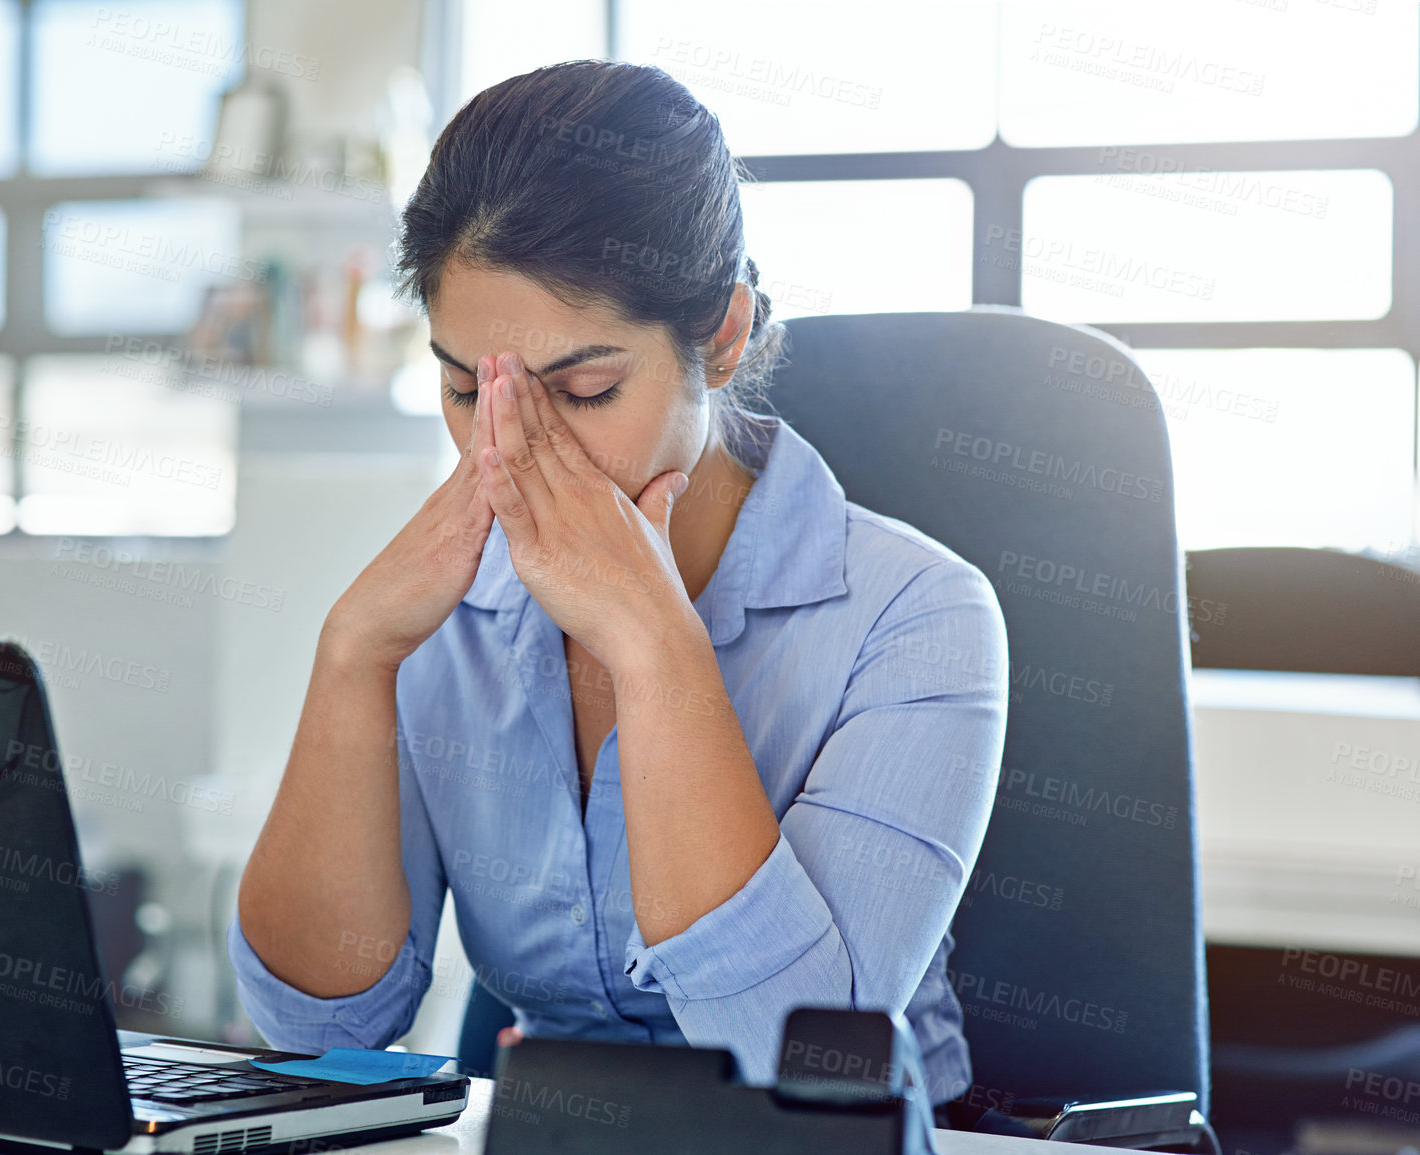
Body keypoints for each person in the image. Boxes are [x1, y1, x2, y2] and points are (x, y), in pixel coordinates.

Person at [227, 59, 1009, 1104]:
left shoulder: (918, 617)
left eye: (585, 390)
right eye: (466, 390)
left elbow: (807, 1070)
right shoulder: (445, 608)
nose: (513, 447)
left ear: (721, 337)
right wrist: (352, 657)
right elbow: (316, 1031)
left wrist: (652, 646)